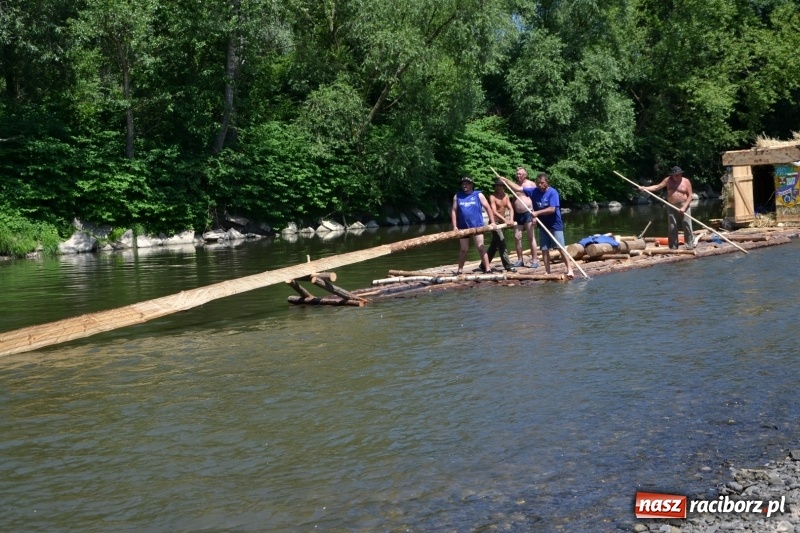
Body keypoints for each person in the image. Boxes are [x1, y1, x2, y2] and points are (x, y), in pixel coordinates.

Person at [530, 173, 574, 279]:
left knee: (560, 247)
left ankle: (570, 269)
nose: (540, 185)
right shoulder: (534, 191)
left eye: (542, 183)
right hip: (543, 224)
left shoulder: (553, 192)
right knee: (544, 248)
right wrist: (504, 180)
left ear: (547, 183)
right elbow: (519, 189)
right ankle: (547, 271)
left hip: (555, 224)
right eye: (538, 183)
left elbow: (552, 209)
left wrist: (537, 213)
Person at [639, 166, 694, 250]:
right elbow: (657, 187)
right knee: (672, 226)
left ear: (681, 174)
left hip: (684, 205)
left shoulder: (686, 181)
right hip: (671, 205)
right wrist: (645, 188)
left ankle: (689, 244)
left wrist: (684, 207)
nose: (676, 177)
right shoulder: (668, 180)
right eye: (674, 175)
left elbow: (690, 196)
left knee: (687, 225)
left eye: (678, 175)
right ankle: (673, 246)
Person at [451, 176, 494, 275]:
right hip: (463, 227)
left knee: (480, 247)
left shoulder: (478, 195)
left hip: (477, 226)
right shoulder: (457, 196)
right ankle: (460, 270)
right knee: (463, 249)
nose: (464, 185)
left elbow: (488, 207)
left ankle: (488, 269)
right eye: (463, 183)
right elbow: (454, 211)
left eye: (467, 183)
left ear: (471, 184)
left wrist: (492, 221)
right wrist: (454, 226)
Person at [497, 167, 539, 268]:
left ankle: (534, 260)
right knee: (517, 237)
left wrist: (535, 215)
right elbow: (513, 200)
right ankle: (520, 260)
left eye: (520, 174)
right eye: (517, 174)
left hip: (528, 213)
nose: (518, 175)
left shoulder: (531, 184)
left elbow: (536, 200)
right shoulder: (514, 185)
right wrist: (510, 214)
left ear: (525, 175)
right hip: (517, 214)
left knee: (530, 237)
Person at [486, 179, 517, 272]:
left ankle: (484, 264)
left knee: (494, 245)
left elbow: (511, 208)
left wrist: (511, 219)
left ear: (504, 187)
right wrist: (505, 220)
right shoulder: (492, 197)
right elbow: (494, 211)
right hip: (494, 223)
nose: (499, 187)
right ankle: (507, 265)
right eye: (497, 185)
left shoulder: (506, 196)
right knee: (502, 242)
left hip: (502, 223)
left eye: (500, 185)